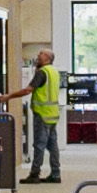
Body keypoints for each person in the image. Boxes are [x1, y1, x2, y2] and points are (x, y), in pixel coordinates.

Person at [20, 52, 64, 181]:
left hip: (42, 114)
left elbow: (28, 90)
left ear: (48, 58)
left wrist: (9, 97)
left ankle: (35, 174)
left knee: (39, 145)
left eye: (41, 54)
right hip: (53, 114)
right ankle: (56, 174)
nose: (38, 56)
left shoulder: (42, 73)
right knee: (52, 145)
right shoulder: (54, 72)